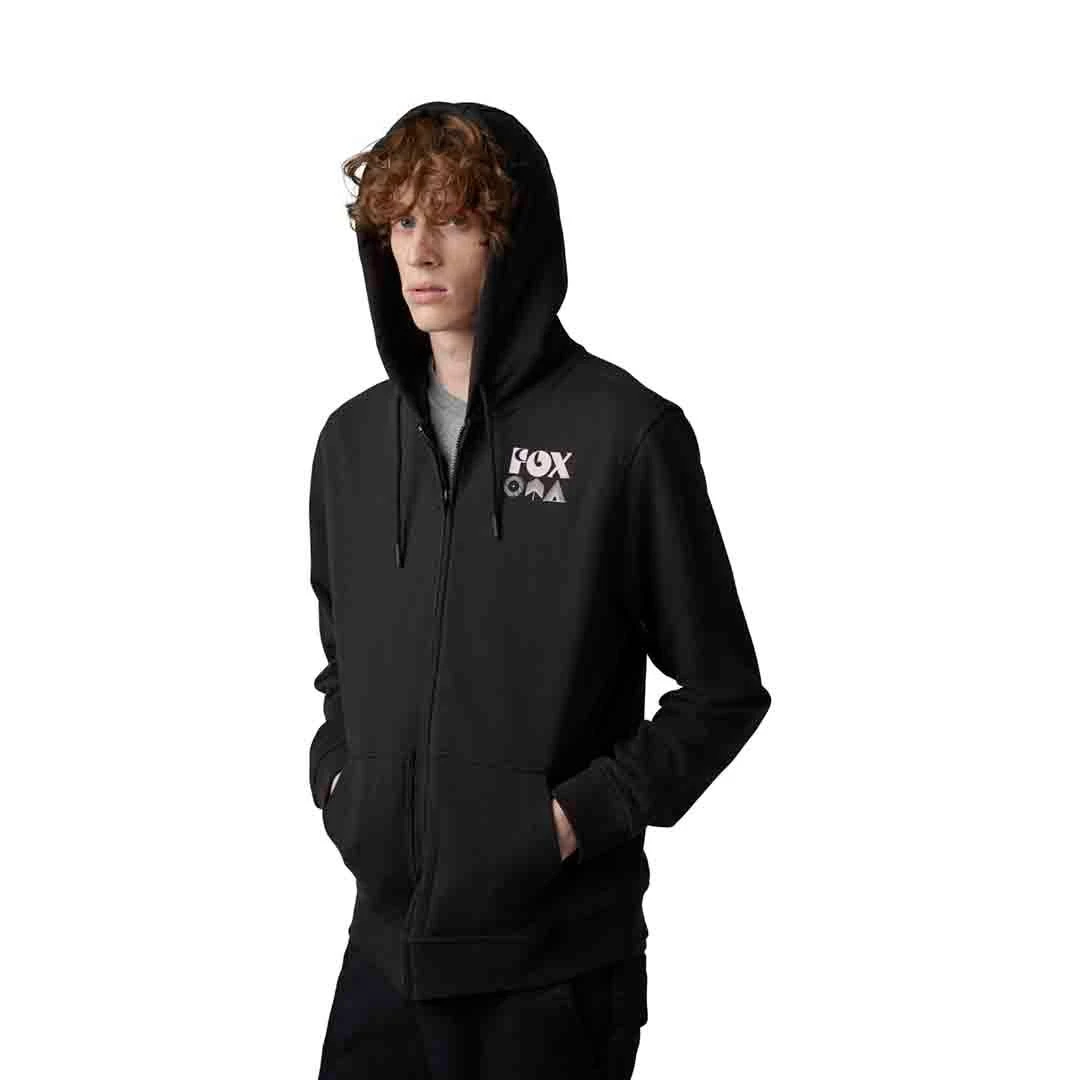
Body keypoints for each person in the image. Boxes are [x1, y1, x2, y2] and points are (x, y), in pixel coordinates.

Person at [308, 101, 772, 1079]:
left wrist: (565, 824)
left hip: (552, 975)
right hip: (383, 961)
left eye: (455, 218)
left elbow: (722, 691)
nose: (420, 250)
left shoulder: (626, 435)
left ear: (511, 238)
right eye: (402, 220)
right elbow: (343, 660)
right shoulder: (351, 445)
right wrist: (341, 781)